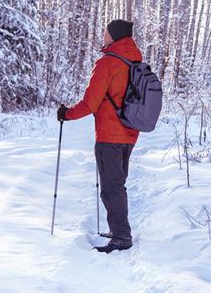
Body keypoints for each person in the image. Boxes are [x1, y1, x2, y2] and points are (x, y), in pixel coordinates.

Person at [57, 19, 141, 254]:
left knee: (111, 187)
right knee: (117, 184)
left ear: (114, 35)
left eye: (106, 32)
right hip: (130, 132)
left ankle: (122, 237)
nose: (103, 35)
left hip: (110, 135)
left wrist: (66, 114)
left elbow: (90, 103)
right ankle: (118, 230)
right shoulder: (135, 61)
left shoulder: (108, 63)